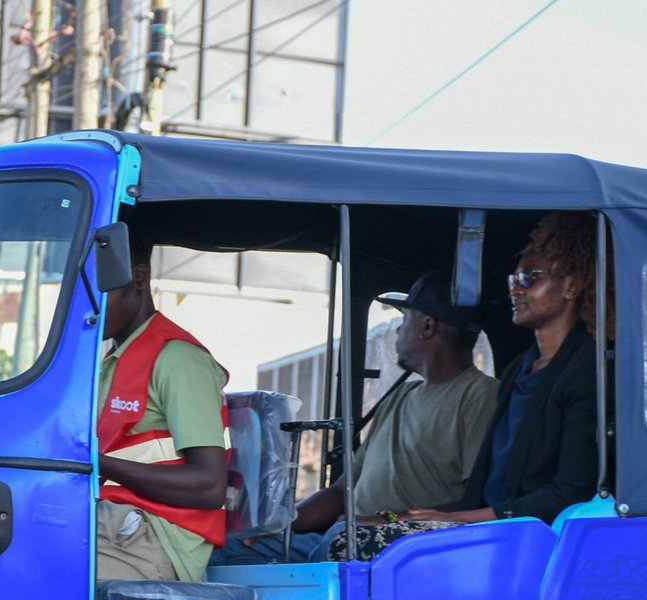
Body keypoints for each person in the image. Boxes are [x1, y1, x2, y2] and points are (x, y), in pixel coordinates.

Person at [218, 269, 497, 563]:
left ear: (427, 327)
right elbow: (343, 490)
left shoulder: (480, 395)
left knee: (335, 543)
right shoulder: (401, 395)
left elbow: (476, 501)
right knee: (225, 549)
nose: (398, 333)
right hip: (343, 536)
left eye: (404, 321)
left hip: (403, 549)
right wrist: (279, 524)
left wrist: (391, 520)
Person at [406, 211, 602, 528]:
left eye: (530, 278)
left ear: (571, 285)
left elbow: (569, 494)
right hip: (492, 528)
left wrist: (458, 519)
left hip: (536, 536)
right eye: (513, 280)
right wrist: (448, 523)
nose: (516, 290)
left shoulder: (588, 372)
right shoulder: (518, 370)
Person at [96, 235, 229, 582]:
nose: (91, 306)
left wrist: (95, 463)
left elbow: (209, 486)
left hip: (154, 539)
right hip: (113, 521)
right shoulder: (112, 360)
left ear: (139, 278)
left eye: (102, 290)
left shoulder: (179, 361)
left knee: (39, 578)